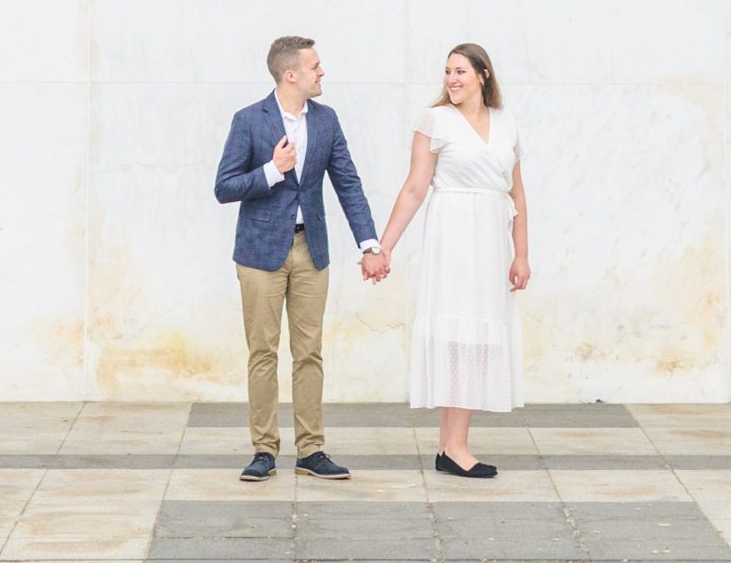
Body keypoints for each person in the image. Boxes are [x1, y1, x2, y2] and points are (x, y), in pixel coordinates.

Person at [213, 35, 387, 482]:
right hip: (258, 253)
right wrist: (272, 170)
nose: (322, 72)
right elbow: (224, 187)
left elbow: (348, 183)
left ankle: (311, 450)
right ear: (291, 74)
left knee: (309, 351)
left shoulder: (327, 121)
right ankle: (264, 451)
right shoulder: (249, 120)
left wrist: (369, 243)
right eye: (315, 66)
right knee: (263, 352)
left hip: (312, 249)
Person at [373, 42, 529, 478]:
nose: (452, 79)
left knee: (478, 337)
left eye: (460, 71)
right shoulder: (435, 120)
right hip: (453, 238)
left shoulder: (507, 124)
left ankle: (449, 447)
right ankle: (457, 446)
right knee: (459, 337)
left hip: (491, 239)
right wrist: (384, 247)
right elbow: (414, 189)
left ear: (482, 75)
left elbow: (517, 194)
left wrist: (522, 254)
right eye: (447, 72)